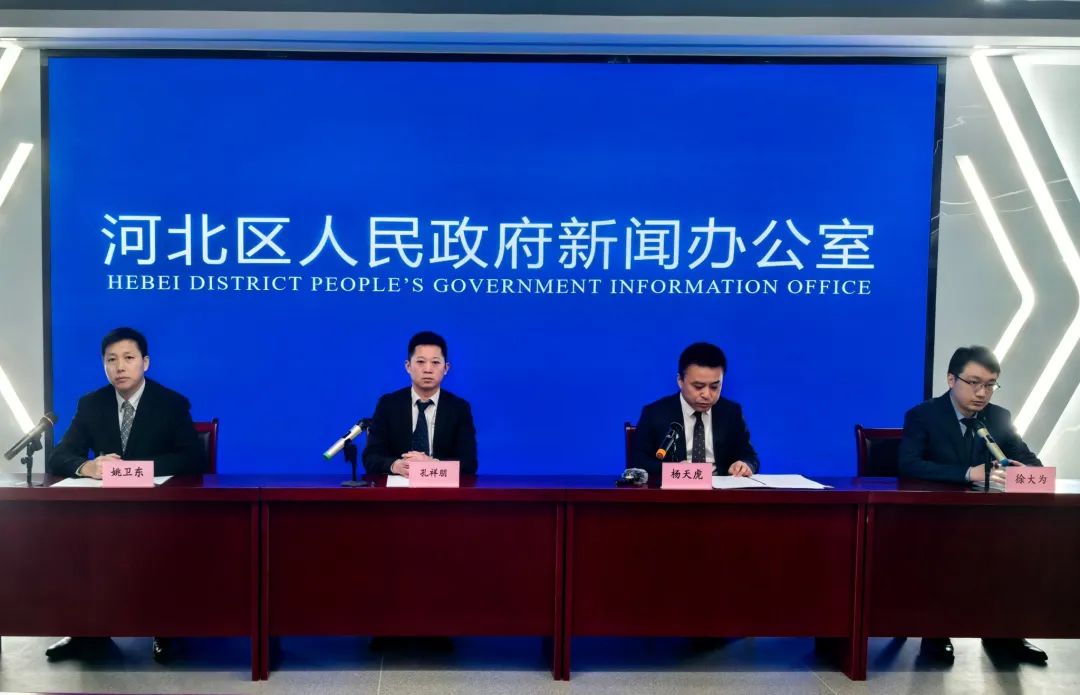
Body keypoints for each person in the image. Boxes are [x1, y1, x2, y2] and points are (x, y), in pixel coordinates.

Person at [45, 327, 203, 664]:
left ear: (145, 362)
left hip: (158, 512)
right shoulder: (91, 404)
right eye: (111, 360)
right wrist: (88, 467)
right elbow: (60, 456)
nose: (120, 367)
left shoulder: (171, 403)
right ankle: (86, 630)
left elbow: (193, 458)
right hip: (105, 513)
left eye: (129, 358)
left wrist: (134, 469)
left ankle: (165, 628)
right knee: (69, 539)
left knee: (161, 545)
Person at [897, 344, 1046, 665]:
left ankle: (1004, 634)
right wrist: (967, 473)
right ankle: (935, 632)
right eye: (974, 383)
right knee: (944, 550)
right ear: (952, 380)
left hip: (991, 520)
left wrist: (1024, 471)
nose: (982, 393)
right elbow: (908, 464)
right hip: (937, 518)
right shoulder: (923, 415)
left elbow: (1032, 462)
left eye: (990, 385)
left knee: (1022, 547)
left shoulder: (999, 418)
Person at [633, 342, 759, 481]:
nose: (706, 394)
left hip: (720, 489)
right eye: (698, 386)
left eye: (714, 387)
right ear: (680, 380)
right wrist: (673, 470)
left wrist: (745, 465)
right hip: (676, 489)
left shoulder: (731, 412)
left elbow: (750, 456)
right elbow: (638, 461)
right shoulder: (655, 413)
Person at [362, 331, 478, 476]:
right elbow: (371, 457)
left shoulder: (459, 408)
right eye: (421, 362)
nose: (428, 369)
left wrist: (432, 464)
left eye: (435, 362)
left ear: (446, 368)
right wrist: (395, 465)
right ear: (408, 366)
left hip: (442, 487)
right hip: (398, 485)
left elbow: (469, 463)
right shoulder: (388, 404)